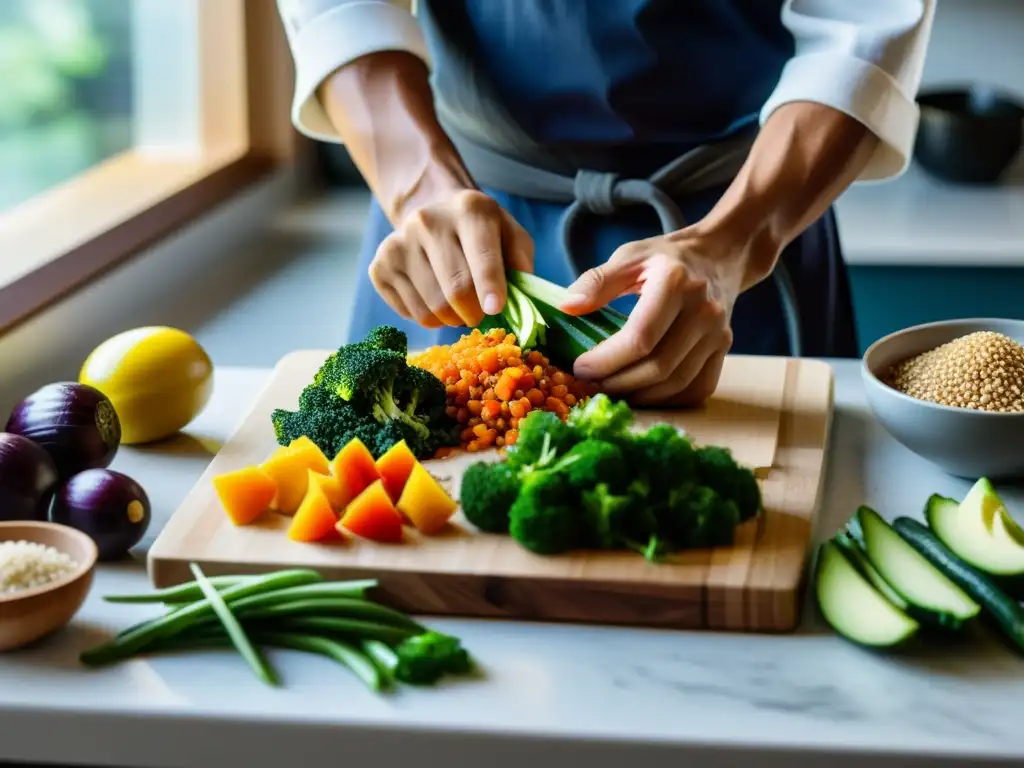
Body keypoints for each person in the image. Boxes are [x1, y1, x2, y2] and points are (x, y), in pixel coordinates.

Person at [276, 0, 935, 405]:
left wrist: (732, 244)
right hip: (464, 221)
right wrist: (423, 188)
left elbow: (866, 24)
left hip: (742, 222)